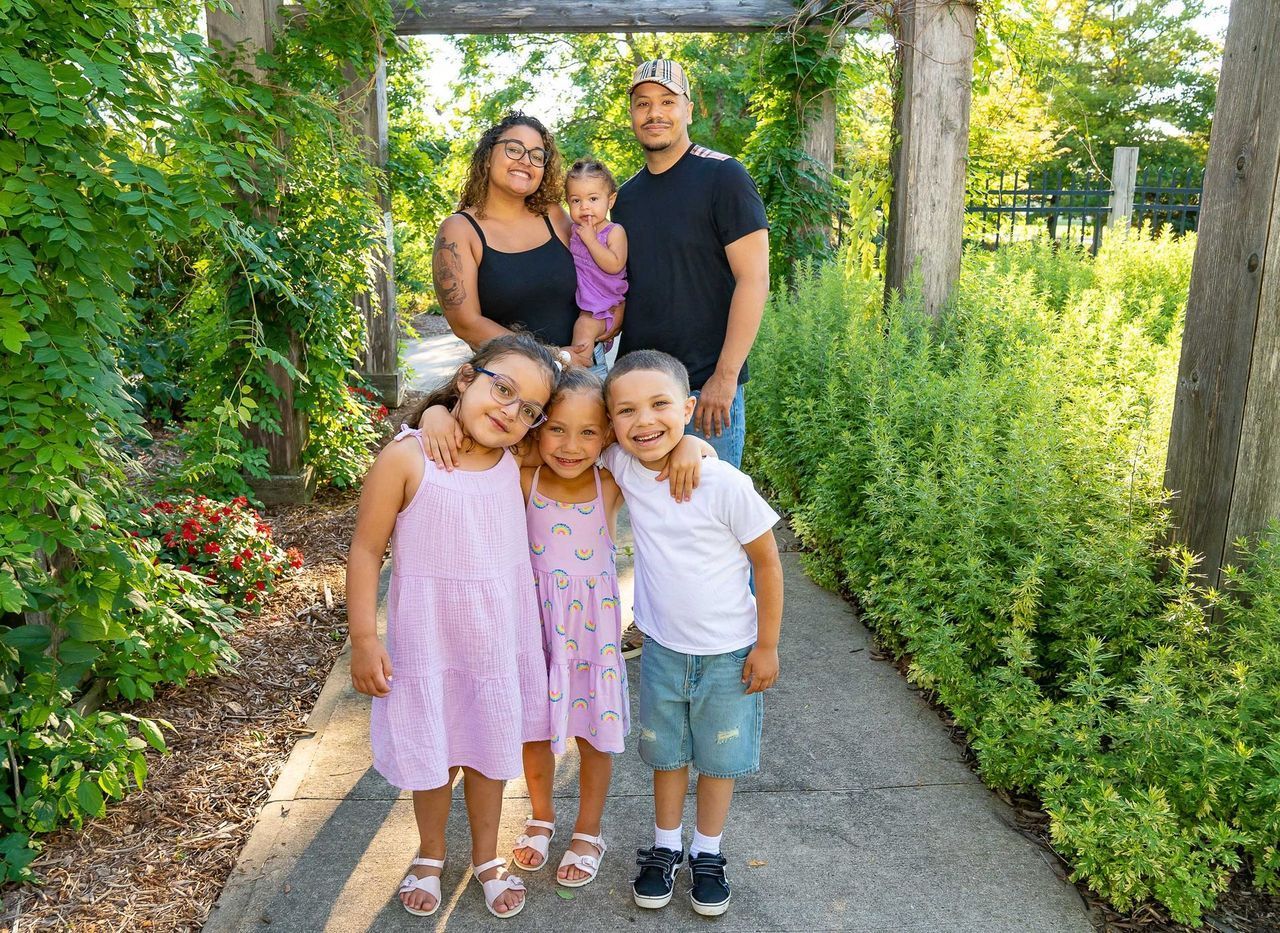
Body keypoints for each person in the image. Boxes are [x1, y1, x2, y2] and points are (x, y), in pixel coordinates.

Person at [345, 334, 558, 920]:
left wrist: (694, 451)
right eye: (502, 388)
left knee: (489, 752)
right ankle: (432, 853)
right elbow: (366, 551)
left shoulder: (519, 459)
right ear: (467, 378)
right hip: (430, 641)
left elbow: (597, 440)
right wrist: (365, 640)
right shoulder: (409, 457)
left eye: (528, 409)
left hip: (497, 642)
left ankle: (487, 857)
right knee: (431, 751)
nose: (510, 410)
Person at [601, 350, 783, 918]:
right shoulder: (625, 466)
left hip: (729, 654)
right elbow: (558, 431)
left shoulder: (723, 483)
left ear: (689, 407)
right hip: (661, 649)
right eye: (625, 410)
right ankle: (665, 846)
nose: (643, 421)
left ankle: (708, 852)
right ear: (612, 422)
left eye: (659, 406)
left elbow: (768, 564)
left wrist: (768, 645)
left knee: (718, 759)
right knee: (667, 754)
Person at [613, 59, 771, 468]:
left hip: (705, 392)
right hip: (640, 395)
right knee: (654, 522)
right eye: (643, 103)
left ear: (688, 109)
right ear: (631, 114)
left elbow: (753, 279)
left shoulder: (724, 177)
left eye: (667, 101)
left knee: (711, 522)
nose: (655, 113)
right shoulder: (625, 198)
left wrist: (726, 377)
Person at [432, 113, 601, 368]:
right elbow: (466, 324)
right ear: (488, 157)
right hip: (512, 383)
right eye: (514, 149)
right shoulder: (459, 231)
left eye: (536, 156)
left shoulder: (554, 215)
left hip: (585, 372)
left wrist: (607, 320)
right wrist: (555, 357)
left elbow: (597, 273)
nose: (525, 161)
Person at [564, 159, 628, 376]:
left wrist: (591, 241)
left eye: (593, 199)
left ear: (610, 200)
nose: (585, 207)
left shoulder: (614, 231)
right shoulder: (573, 230)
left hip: (603, 302)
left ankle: (580, 371)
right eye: (576, 200)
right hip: (586, 300)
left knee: (584, 327)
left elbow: (615, 264)